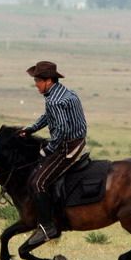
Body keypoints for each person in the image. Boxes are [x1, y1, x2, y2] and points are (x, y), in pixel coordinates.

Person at [20, 60, 87, 246]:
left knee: (38, 182)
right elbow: (49, 116)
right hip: (77, 139)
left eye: (38, 81)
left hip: (68, 146)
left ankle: (48, 226)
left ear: (48, 80)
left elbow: (63, 130)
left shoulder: (55, 100)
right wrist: (32, 129)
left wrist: (48, 150)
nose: (36, 85)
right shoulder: (63, 93)